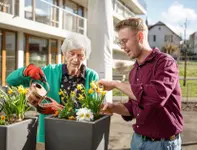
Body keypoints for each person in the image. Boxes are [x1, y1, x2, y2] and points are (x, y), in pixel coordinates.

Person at [99, 18, 183, 150]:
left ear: (140, 36)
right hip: (137, 141)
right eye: (120, 42)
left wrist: (117, 84)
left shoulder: (165, 63)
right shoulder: (134, 71)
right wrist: (112, 107)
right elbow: (134, 108)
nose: (122, 47)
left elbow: (155, 97)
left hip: (162, 144)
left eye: (124, 41)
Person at [6, 33, 99, 143]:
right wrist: (26, 71)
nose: (75, 59)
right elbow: (11, 81)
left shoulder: (91, 76)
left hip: (80, 133)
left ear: (85, 56)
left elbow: (93, 111)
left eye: (80, 55)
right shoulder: (49, 72)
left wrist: (62, 110)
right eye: (72, 53)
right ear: (65, 53)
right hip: (51, 133)